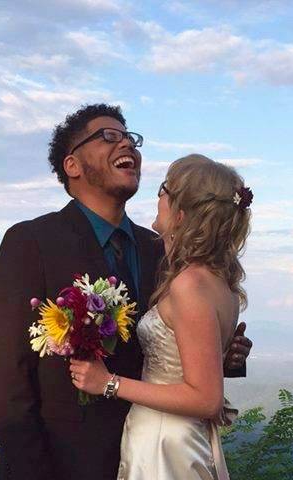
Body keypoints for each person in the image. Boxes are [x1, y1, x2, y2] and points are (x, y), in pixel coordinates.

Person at [0, 104, 253, 480]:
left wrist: (223, 358)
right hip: (62, 464)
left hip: (150, 455)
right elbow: (5, 373)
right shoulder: (32, 242)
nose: (127, 143)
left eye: (130, 137)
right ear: (72, 165)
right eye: (109, 136)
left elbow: (167, 350)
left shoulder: (158, 249)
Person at [70, 154, 252, 479]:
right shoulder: (217, 281)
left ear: (181, 214)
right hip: (175, 437)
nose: (158, 197)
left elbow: (206, 399)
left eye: (164, 189)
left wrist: (108, 383)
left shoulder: (189, 285)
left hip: (165, 445)